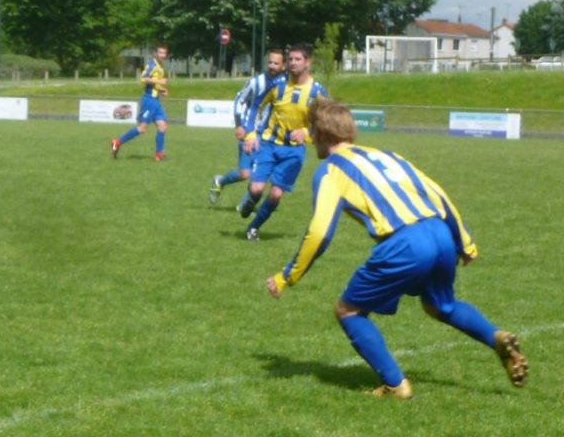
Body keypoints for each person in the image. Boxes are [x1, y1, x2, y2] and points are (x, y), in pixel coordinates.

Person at [265, 99, 529, 399]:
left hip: (406, 243)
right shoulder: (388, 155)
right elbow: (438, 193)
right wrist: (464, 241)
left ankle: (395, 384)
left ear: (321, 134)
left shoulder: (330, 171)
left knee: (348, 310)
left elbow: (320, 232)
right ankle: (496, 337)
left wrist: (289, 276)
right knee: (441, 305)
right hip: (440, 232)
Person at [237, 42, 327, 241]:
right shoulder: (277, 85)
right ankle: (250, 200)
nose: (293, 63)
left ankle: (253, 227)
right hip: (268, 144)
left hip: (294, 152)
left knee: (276, 194)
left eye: (298, 59)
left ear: (308, 63)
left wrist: (306, 132)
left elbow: (325, 123)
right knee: (257, 188)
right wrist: (250, 134)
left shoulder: (317, 93)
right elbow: (255, 106)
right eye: (291, 60)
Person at [209, 49, 284, 205]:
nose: (272, 66)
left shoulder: (285, 84)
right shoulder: (256, 81)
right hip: (250, 131)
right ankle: (220, 181)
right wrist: (239, 125)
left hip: (269, 136)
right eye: (270, 62)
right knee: (245, 173)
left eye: (276, 63)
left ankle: (245, 205)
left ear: (283, 65)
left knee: (260, 175)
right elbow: (239, 99)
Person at [110, 44, 170, 161]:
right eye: (160, 53)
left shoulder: (160, 67)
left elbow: (152, 84)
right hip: (149, 101)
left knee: (162, 126)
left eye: (164, 53)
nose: (162, 55)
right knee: (142, 128)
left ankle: (159, 155)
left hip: (156, 100)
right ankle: (118, 142)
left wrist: (161, 89)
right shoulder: (152, 65)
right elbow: (143, 78)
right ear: (155, 54)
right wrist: (159, 80)